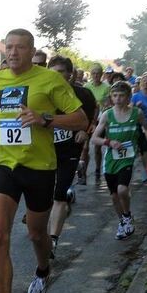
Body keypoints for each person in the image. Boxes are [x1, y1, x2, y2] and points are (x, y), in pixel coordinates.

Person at [0, 28, 86, 293]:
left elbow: (81, 119)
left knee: (36, 233)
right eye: (8, 48)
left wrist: (45, 119)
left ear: (31, 50)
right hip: (4, 164)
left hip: (39, 167)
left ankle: (43, 267)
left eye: (20, 48)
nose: (12, 53)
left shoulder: (51, 80)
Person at [46, 56, 96, 256]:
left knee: (58, 195)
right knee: (47, 196)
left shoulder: (83, 94)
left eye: (60, 72)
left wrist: (86, 131)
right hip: (45, 151)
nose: (55, 76)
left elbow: (91, 118)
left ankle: (52, 241)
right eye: (52, 72)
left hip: (69, 151)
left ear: (70, 74)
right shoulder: (43, 93)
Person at [92, 81, 147, 239]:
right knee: (114, 196)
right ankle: (123, 221)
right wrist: (108, 142)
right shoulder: (107, 115)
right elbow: (94, 138)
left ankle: (126, 215)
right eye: (115, 95)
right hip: (111, 160)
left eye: (121, 95)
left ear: (128, 97)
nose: (118, 99)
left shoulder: (136, 113)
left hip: (127, 158)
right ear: (111, 97)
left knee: (122, 190)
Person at [81, 64, 110, 184]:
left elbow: (108, 102)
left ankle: (98, 170)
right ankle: (83, 173)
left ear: (101, 74)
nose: (96, 76)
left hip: (101, 119)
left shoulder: (106, 87)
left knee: (97, 148)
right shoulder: (86, 86)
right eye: (94, 73)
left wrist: (103, 106)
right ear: (91, 74)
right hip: (89, 118)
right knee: (85, 148)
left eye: (98, 73)